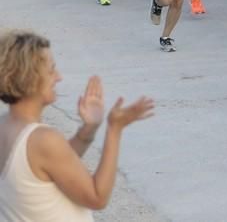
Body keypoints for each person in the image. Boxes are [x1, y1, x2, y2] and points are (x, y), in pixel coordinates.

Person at [0, 31, 155, 221]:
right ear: (28, 78)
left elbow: (50, 165)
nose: (59, 77)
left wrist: (89, 129)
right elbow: (97, 198)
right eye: (51, 70)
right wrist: (114, 129)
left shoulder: (7, 126)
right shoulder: (42, 139)